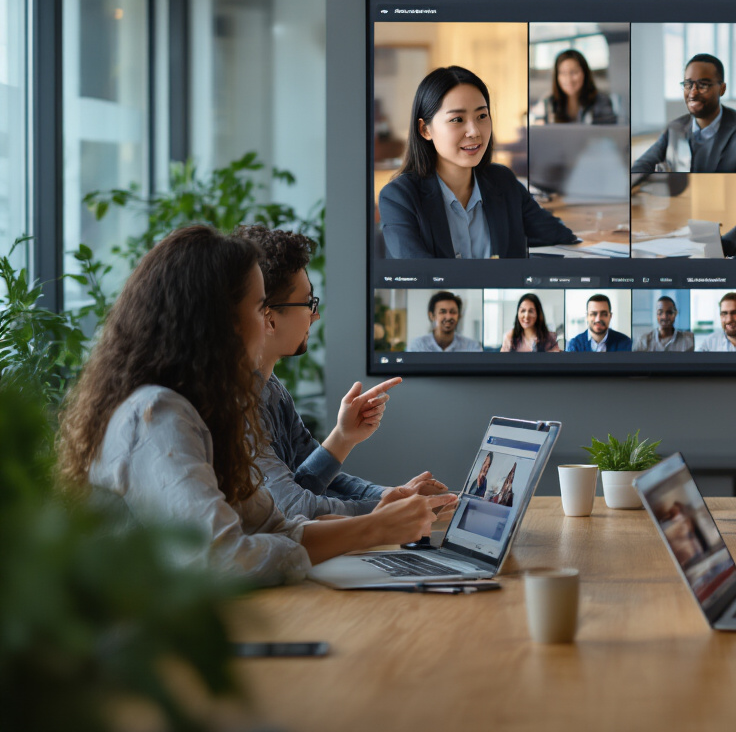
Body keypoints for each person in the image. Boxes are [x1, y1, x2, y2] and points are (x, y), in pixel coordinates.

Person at [57, 226, 457, 586]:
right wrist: (371, 528)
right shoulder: (156, 416)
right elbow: (219, 558)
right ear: (220, 322)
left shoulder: (210, 408)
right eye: (258, 306)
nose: (265, 323)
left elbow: (273, 526)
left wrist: (380, 518)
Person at [235, 225, 449, 519]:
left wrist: (391, 494)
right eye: (308, 303)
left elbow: (309, 480)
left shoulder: (271, 388)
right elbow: (294, 508)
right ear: (269, 319)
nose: (316, 315)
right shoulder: (237, 404)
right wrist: (391, 508)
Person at [379, 66, 577, 259]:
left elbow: (559, 235)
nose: (474, 131)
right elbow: (419, 276)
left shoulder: (502, 181)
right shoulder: (399, 197)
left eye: (482, 116)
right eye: (457, 119)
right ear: (425, 130)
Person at [631, 54, 736, 174]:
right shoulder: (675, 128)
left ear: (722, 89)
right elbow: (641, 166)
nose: (693, 93)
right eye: (688, 85)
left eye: (703, 85)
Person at [529, 49, 618, 125]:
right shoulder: (548, 102)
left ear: (585, 73)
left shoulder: (601, 101)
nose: (569, 80)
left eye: (574, 72)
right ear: (557, 77)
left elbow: (609, 135)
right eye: (563, 73)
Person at [408, 290, 481, 352]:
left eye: (453, 312)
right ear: (432, 316)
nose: (448, 317)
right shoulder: (418, 346)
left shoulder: (472, 347)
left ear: (459, 316)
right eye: (443, 312)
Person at [566, 294, 632, 352]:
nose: (598, 319)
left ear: (610, 316)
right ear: (587, 317)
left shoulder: (625, 343)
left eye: (604, 314)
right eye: (593, 314)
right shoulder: (575, 345)